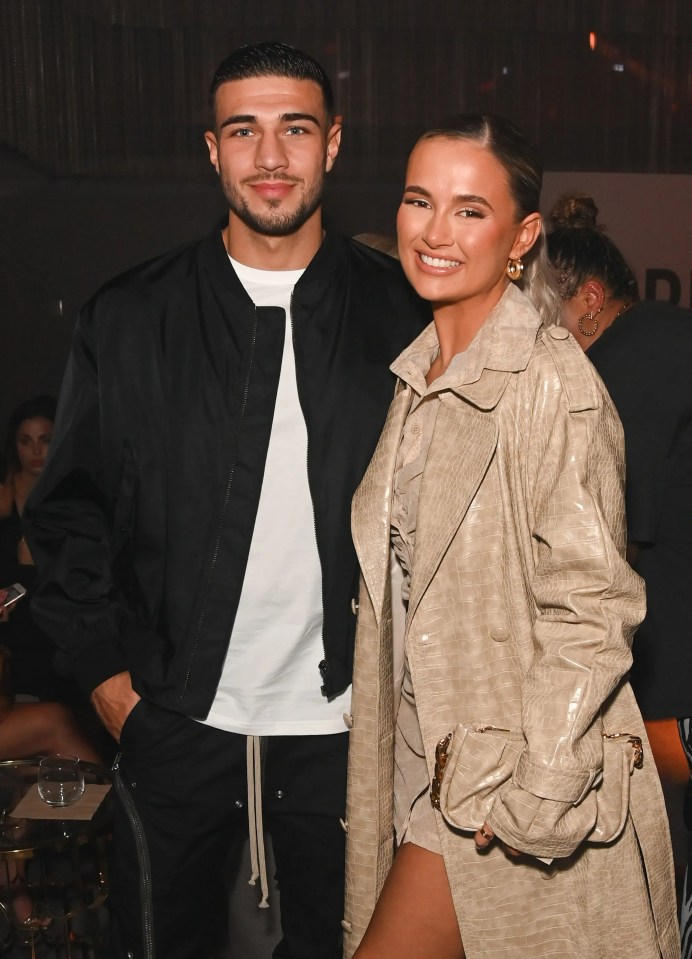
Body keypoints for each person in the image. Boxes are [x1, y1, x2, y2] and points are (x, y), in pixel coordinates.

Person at [23, 41, 430, 959]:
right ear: (212, 150)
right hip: (175, 721)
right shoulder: (129, 317)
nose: (271, 157)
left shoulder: (402, 313)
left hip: (348, 730)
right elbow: (67, 512)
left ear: (333, 145)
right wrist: (106, 679)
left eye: (296, 129)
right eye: (245, 131)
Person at [342, 116, 680, 959]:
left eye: (469, 210)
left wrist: (542, 781)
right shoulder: (417, 378)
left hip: (502, 780)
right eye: (421, 200)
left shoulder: (552, 381)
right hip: (429, 762)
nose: (434, 230)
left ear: (522, 236)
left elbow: (597, 602)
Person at [547, 193, 692, 957]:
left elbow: (608, 548)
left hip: (678, 687)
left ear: (590, 302)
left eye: (549, 315)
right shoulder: (676, 333)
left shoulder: (617, 366)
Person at [0, 397, 83, 705]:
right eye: (26, 441)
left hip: (55, 628)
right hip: (12, 633)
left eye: (45, 440)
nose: (35, 451)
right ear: (14, 445)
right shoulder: (4, 496)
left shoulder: (72, 496)